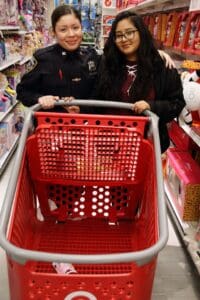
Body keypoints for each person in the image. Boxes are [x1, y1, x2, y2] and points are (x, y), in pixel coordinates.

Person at [16, 4, 175, 113]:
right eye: (63, 30)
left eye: (75, 28)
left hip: (88, 128)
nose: (71, 34)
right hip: (51, 130)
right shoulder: (42, 59)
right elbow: (22, 92)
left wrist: (154, 53)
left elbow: (117, 62)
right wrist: (40, 99)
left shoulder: (93, 57)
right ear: (53, 33)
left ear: (82, 29)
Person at [94, 10, 185, 153]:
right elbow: (95, 98)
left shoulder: (161, 65)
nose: (124, 39)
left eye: (129, 32)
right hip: (108, 144)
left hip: (145, 145)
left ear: (141, 32)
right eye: (118, 36)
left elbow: (176, 103)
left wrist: (151, 106)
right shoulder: (107, 63)